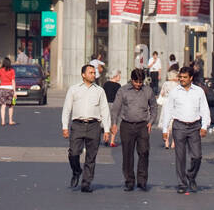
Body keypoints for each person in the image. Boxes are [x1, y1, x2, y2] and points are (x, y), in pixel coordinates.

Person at [61, 63, 111, 193]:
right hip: (77, 124)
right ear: (83, 75)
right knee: (73, 153)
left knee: (91, 156)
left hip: (94, 125)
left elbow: (105, 110)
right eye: (91, 72)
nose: (93, 75)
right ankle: (76, 171)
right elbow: (67, 109)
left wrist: (106, 129)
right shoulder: (73, 89)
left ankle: (86, 183)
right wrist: (64, 126)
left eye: (94, 73)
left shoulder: (99, 90)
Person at [161, 66, 211, 193]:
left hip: (194, 126)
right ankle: (182, 184)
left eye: (184, 77)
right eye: (180, 77)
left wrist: (204, 126)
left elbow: (204, 109)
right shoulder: (174, 92)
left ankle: (191, 175)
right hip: (179, 126)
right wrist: (165, 129)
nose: (181, 80)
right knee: (180, 157)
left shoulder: (198, 91)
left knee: (197, 156)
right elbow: (168, 110)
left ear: (191, 78)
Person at [110, 68, 158, 191]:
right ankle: (129, 181)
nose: (138, 84)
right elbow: (116, 108)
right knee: (127, 154)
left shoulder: (147, 90)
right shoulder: (123, 90)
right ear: (132, 80)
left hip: (142, 126)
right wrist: (114, 124)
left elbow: (154, 107)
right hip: (126, 125)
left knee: (144, 152)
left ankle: (142, 181)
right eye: (136, 82)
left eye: (140, 82)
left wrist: (151, 122)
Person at [0, 57, 16, 125]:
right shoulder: (12, 70)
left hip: (2, 89)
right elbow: (13, 81)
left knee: (3, 106)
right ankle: (10, 120)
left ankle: (3, 121)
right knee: (11, 105)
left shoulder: (0, 70)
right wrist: (15, 92)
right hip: (10, 89)